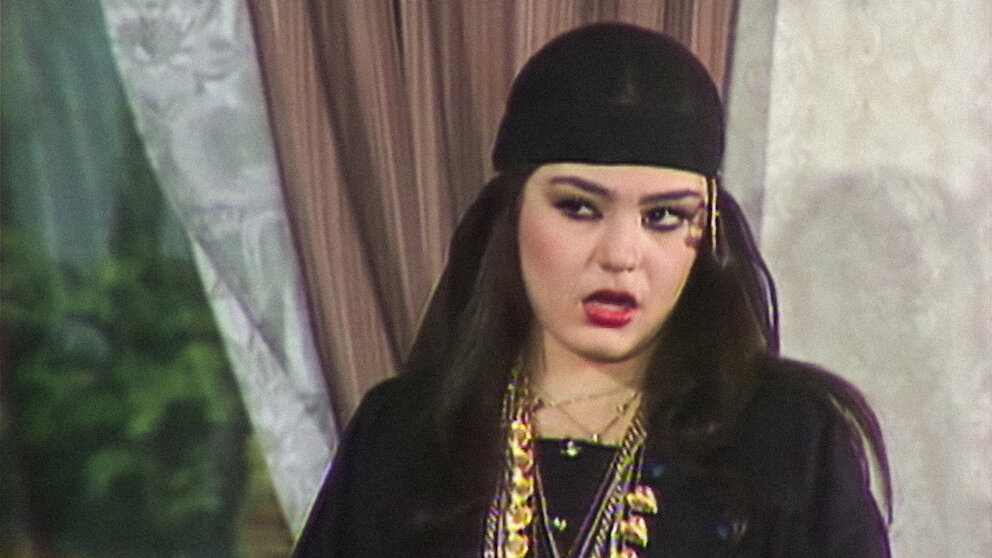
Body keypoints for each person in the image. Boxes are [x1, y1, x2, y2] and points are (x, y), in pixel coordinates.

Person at [291, 23, 891, 557]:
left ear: (706, 231)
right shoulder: (404, 440)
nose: (621, 256)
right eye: (579, 208)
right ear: (512, 214)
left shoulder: (787, 446)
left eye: (663, 217)